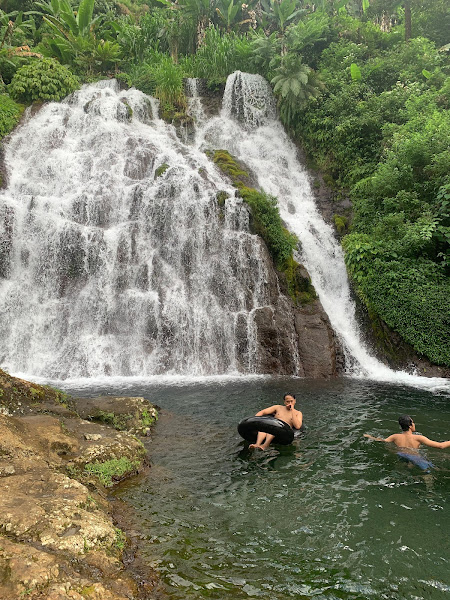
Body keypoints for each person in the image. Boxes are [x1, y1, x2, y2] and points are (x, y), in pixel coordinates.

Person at [364, 415, 450, 450]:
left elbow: (382, 441)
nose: (414, 424)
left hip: (402, 456)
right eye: (413, 422)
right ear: (410, 426)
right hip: (415, 458)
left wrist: (370, 437)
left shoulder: (395, 436)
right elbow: (440, 446)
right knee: (427, 474)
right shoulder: (418, 437)